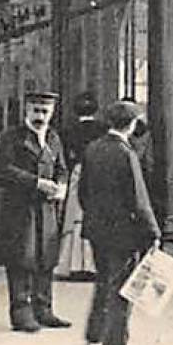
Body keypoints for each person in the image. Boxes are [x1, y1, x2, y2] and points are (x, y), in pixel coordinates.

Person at [78, 99, 159, 345]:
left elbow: (83, 192)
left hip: (97, 230)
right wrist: (152, 232)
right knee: (124, 288)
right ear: (133, 124)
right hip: (124, 232)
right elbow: (139, 199)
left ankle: (94, 337)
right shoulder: (126, 154)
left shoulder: (92, 148)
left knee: (103, 282)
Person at [0, 90, 69, 332]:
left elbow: (61, 168)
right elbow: (4, 170)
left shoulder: (53, 138)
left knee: (45, 258)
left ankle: (44, 309)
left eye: (45, 111)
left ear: (52, 113)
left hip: (47, 208)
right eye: (36, 110)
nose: (40, 116)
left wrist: (61, 187)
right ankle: (21, 312)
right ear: (26, 110)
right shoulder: (11, 137)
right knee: (21, 258)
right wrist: (36, 182)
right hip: (20, 208)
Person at [55, 91, 104, 282]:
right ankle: (92, 265)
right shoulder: (103, 129)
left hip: (77, 173)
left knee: (74, 218)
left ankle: (71, 264)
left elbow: (64, 157)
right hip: (98, 175)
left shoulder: (68, 130)